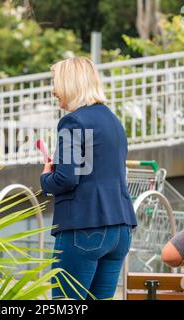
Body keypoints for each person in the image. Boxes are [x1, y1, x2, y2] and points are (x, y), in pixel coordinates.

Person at [40, 57, 137, 300]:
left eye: (56, 83)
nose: (53, 90)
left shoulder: (73, 121)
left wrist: (45, 179)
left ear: (71, 84)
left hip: (84, 225)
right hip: (120, 227)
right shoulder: (113, 121)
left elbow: (66, 178)